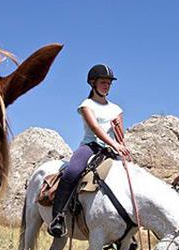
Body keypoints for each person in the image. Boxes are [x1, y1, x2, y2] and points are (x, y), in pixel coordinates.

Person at [48, 64, 130, 238]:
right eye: (103, 82)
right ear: (93, 83)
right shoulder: (87, 105)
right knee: (72, 171)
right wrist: (114, 144)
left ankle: (128, 227)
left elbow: (120, 136)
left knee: (128, 175)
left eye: (109, 83)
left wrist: (119, 135)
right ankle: (58, 217)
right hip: (90, 146)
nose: (107, 85)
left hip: (109, 149)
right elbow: (95, 128)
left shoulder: (117, 109)